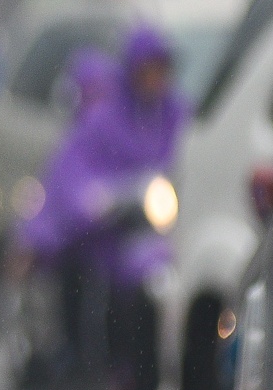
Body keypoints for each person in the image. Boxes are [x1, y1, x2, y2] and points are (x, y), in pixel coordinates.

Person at [18, 25, 185, 263]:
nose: (155, 79)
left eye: (161, 70)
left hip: (149, 230)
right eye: (148, 70)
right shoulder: (105, 119)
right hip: (98, 235)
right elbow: (71, 173)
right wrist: (96, 200)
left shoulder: (174, 116)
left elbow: (178, 164)